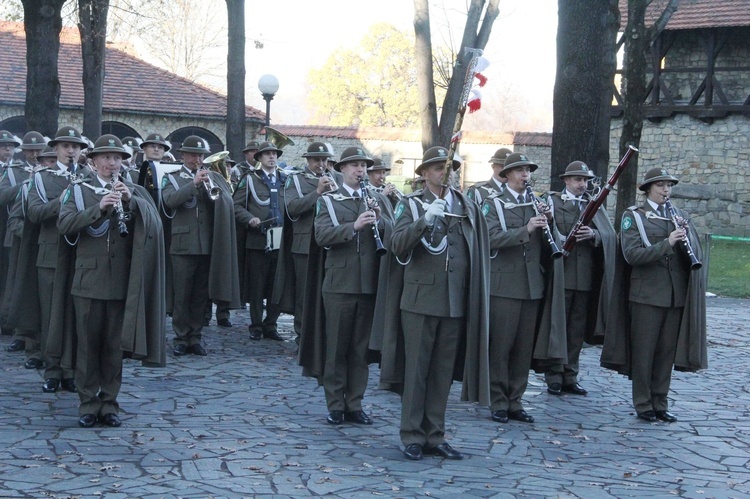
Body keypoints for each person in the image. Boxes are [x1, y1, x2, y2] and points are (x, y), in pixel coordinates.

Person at [378, 145, 490, 461]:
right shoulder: (411, 206)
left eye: (449, 167)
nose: (445, 172)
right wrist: (423, 221)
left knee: (442, 373)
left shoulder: (466, 205)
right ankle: (412, 434)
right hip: (419, 300)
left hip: (455, 301)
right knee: (416, 371)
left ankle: (435, 434)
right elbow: (397, 246)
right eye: (438, 167)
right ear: (424, 173)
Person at [57, 134, 165, 428]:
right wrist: (99, 208)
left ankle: (110, 403)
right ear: (92, 162)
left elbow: (155, 226)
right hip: (87, 282)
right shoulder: (78, 191)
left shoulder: (134, 191)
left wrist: (132, 204)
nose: (112, 163)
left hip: (120, 283)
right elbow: (64, 225)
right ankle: (88, 403)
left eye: (117, 158)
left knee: (113, 347)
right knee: (88, 346)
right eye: (105, 157)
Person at [602, 167, 706, 423]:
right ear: (648, 189)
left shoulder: (679, 215)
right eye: (660, 186)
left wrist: (686, 241)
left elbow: (694, 255)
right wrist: (668, 242)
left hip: (674, 294)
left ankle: (661, 401)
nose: (666, 190)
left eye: (669, 186)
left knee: (665, 353)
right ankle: (643, 403)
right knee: (644, 352)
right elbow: (632, 255)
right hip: (645, 294)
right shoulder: (634, 216)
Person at [311, 147, 393, 426]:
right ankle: (335, 404)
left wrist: (381, 222)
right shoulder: (329, 201)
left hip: (369, 283)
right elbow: (321, 235)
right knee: (336, 348)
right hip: (339, 284)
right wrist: (354, 226)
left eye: (363, 166)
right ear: (342, 169)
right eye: (355, 166)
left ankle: (355, 404)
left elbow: (395, 233)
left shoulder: (377, 198)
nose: (360, 170)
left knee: (360, 350)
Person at [481, 152, 555, 425]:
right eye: (520, 171)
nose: (526, 175)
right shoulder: (495, 204)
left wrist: (549, 223)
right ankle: (498, 401)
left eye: (528, 171)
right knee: (501, 347)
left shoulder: (537, 203)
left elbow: (549, 244)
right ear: (507, 175)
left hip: (531, 285)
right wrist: (526, 229)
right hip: (504, 286)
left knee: (523, 349)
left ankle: (516, 401)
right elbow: (489, 239)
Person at [541, 161, 617, 396]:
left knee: (576, 330)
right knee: (558, 327)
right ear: (565, 181)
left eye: (585, 180)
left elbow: (609, 235)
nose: (582, 184)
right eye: (577, 179)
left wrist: (594, 234)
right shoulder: (552, 201)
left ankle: (570, 375)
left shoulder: (593, 204)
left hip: (584, 277)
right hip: (560, 274)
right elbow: (546, 231)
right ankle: (553, 375)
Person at [27, 125, 92, 394]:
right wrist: (66, 198)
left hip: (82, 255)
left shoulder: (90, 176)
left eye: (75, 146)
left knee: (77, 315)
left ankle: (72, 371)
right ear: (55, 149)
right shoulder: (42, 178)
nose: (71, 150)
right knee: (52, 315)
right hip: (51, 254)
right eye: (65, 146)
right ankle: (52, 370)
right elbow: (34, 213)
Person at [161, 135, 240, 356]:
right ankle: (180, 337)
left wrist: (214, 191)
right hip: (182, 245)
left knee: (199, 296)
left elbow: (223, 204)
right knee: (182, 295)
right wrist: (193, 184)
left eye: (201, 155)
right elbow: (170, 201)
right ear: (183, 155)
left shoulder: (212, 177)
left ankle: (195, 337)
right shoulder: (172, 178)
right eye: (193, 154)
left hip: (207, 244)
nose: (198, 158)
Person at [274, 141, 336, 343]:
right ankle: (302, 334)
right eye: (317, 160)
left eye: (324, 160)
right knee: (304, 292)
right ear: (308, 160)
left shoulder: (337, 179)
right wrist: (317, 192)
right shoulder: (296, 180)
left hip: (330, 243)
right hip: (304, 245)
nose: (321, 164)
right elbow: (292, 208)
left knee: (326, 290)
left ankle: (323, 332)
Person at [233, 141, 286, 341]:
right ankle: (256, 324)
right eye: (267, 154)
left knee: (277, 284)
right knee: (257, 285)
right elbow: (236, 206)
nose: (272, 157)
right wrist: (250, 219)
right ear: (259, 159)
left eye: (274, 154)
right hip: (258, 238)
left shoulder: (286, 179)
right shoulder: (250, 180)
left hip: (281, 238)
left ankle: (271, 324)